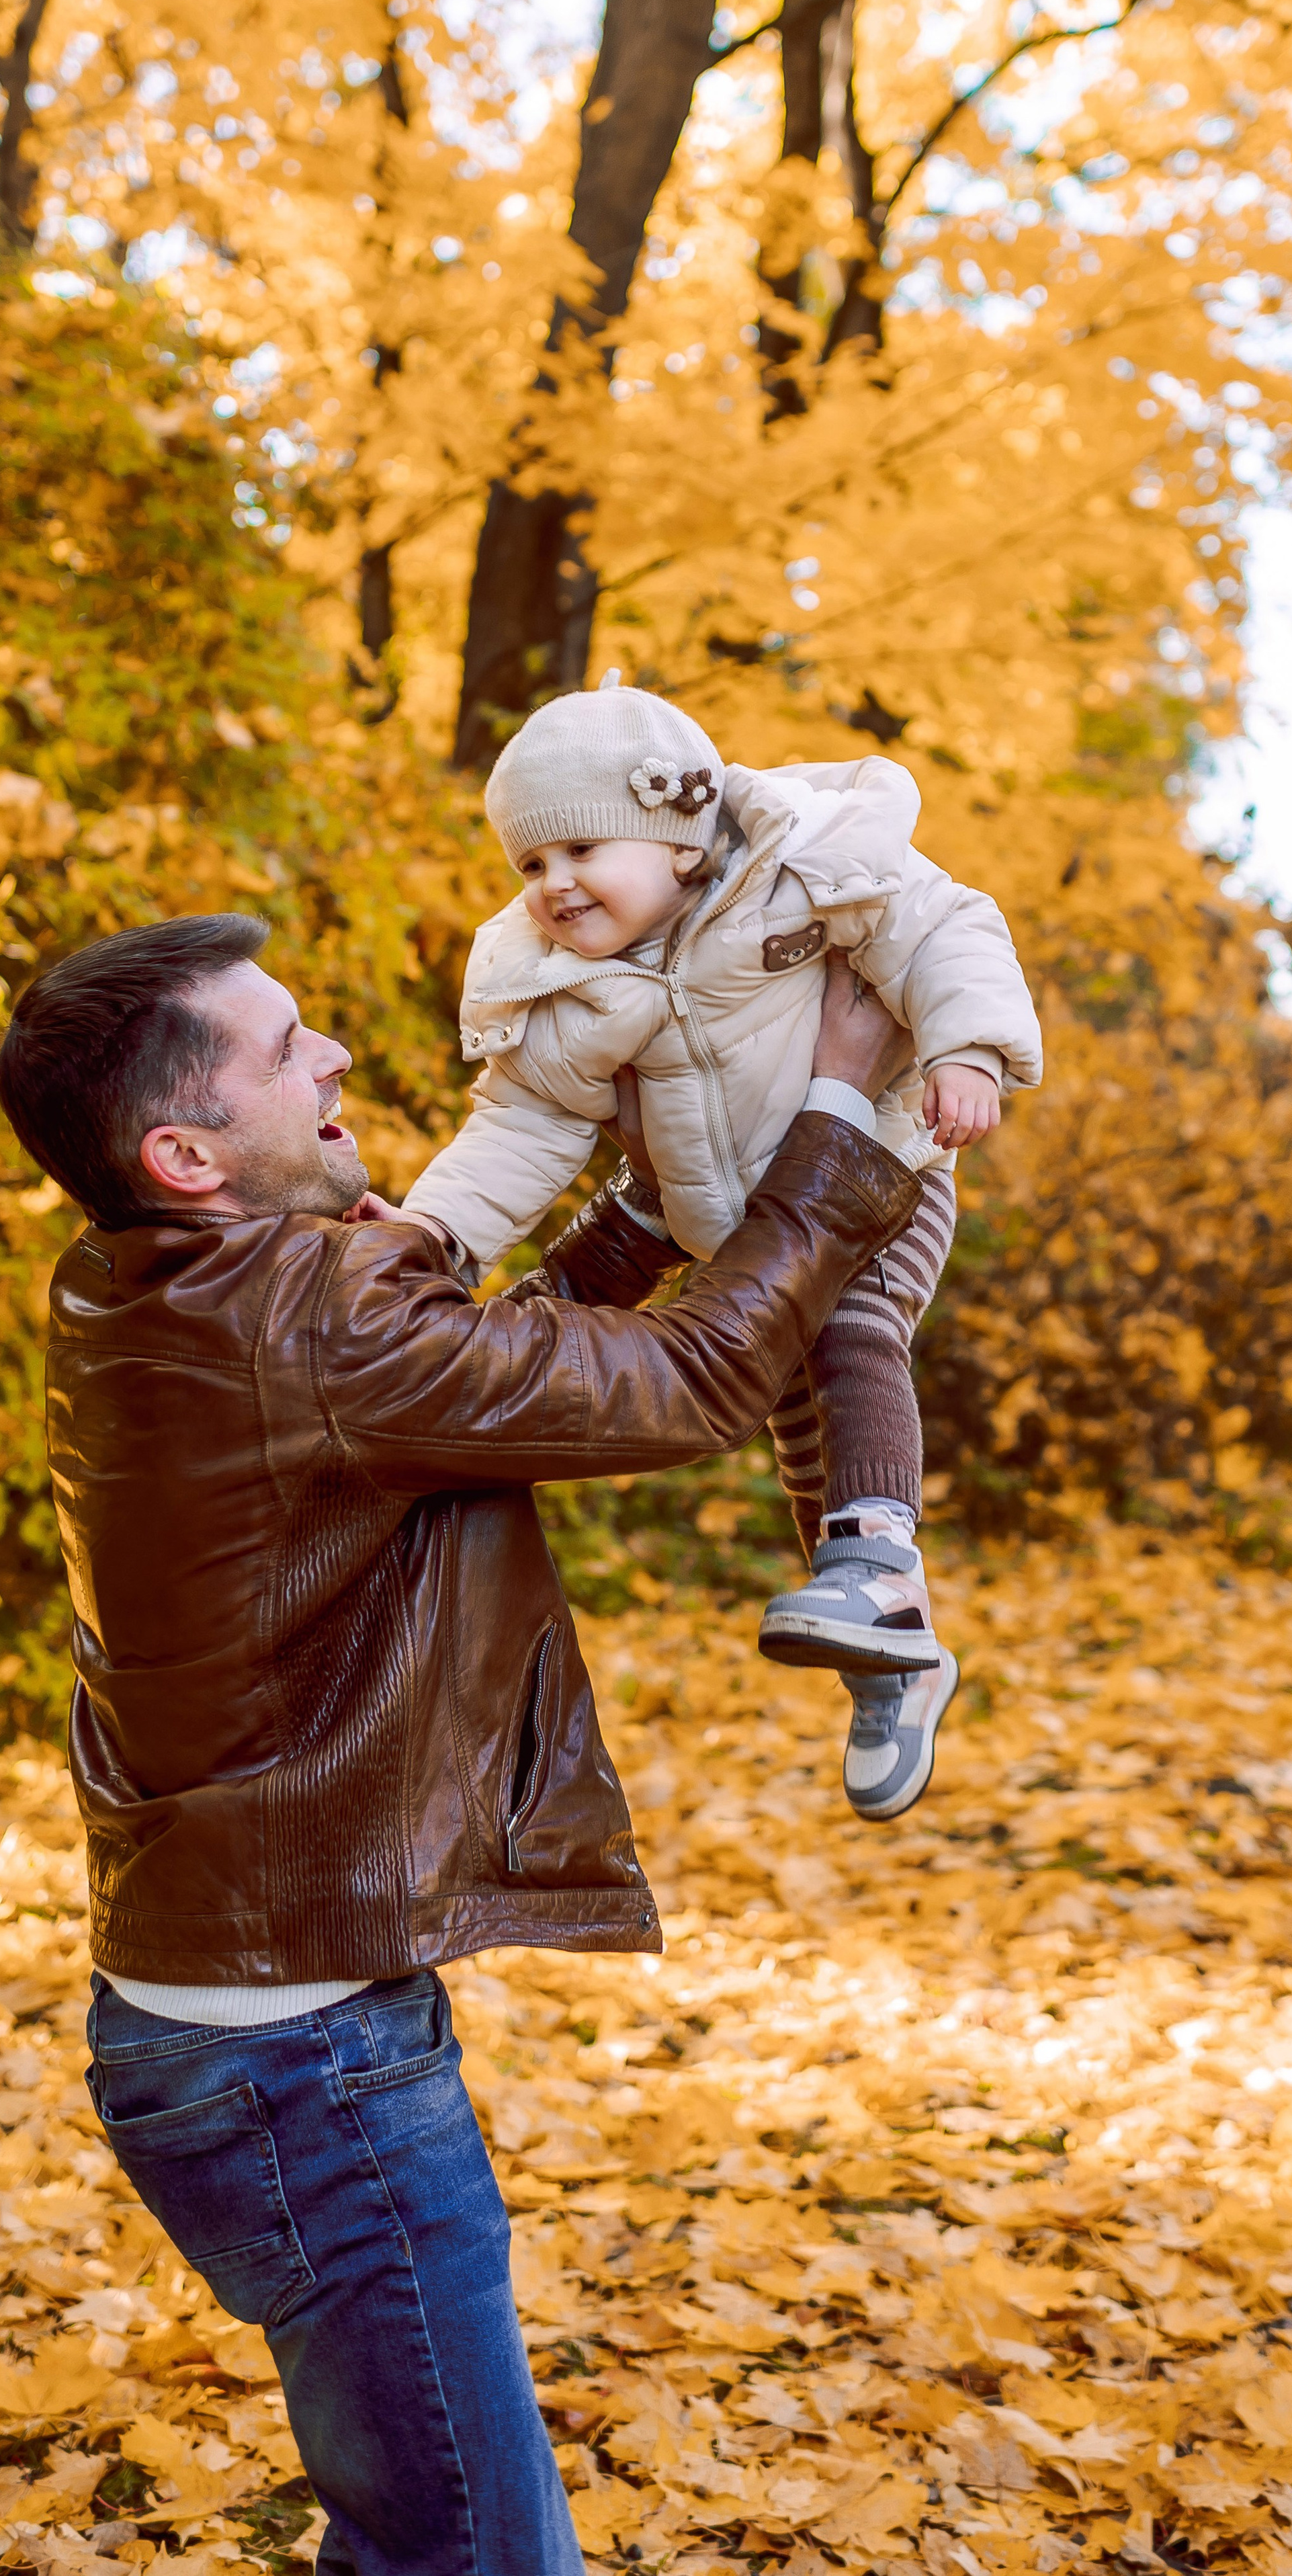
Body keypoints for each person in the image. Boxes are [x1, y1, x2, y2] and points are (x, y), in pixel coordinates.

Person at [0, 909, 921, 2576]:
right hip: (305, 2069)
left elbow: (469, 1376)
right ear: (184, 1149)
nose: (333, 1053)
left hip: (235, 2032)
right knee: (481, 2560)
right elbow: (698, 1381)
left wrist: (640, 1205)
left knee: (431, 2541)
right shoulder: (306, 1324)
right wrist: (834, 1120)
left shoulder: (137, 1285)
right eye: (286, 1049)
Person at [400, 678, 1043, 1821]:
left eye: (581, 849)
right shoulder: (559, 985)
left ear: (679, 836)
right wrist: (430, 1233)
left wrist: (970, 1052)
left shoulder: (803, 865)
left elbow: (945, 927)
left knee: (854, 1334)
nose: (552, 888)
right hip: (740, 1231)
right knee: (804, 1435)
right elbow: (521, 1124)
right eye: (528, 868)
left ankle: (881, 1578)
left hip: (880, 1172)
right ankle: (888, 1653)